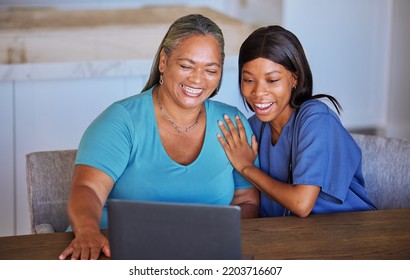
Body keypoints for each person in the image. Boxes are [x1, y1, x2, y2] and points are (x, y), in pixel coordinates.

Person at [59, 14, 259, 260]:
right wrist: (88, 232)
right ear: (164, 61)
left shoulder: (232, 124)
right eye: (186, 66)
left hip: (200, 257)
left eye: (211, 70)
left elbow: (247, 200)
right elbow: (87, 188)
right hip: (112, 251)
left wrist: (216, 239)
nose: (197, 79)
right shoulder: (121, 121)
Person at [217, 25, 376, 218]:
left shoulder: (316, 119)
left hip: (348, 232)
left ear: (295, 78)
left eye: (273, 80)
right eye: (249, 80)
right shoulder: (252, 128)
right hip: (289, 238)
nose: (258, 92)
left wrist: (246, 167)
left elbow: (301, 204)